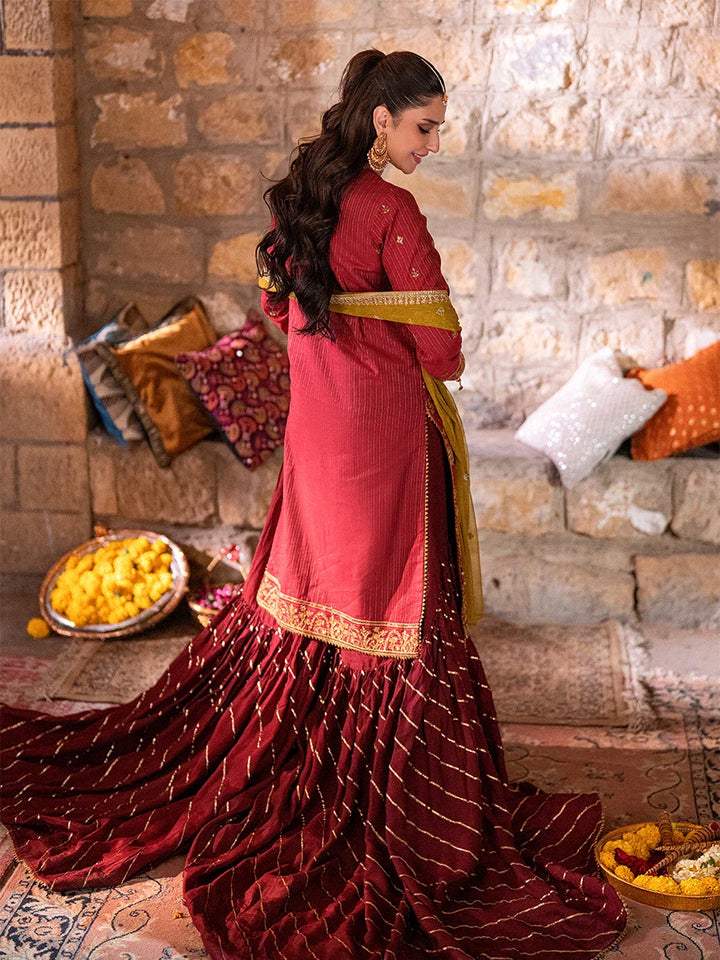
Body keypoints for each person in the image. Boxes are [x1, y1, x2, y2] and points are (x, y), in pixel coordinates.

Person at [0, 49, 626, 960]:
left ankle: (299, 763)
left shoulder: (299, 195)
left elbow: (275, 305)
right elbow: (444, 352)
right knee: (397, 608)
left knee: (315, 594)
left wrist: (346, 318)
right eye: (425, 127)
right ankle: (398, 798)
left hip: (319, 436)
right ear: (381, 119)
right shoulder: (394, 212)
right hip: (384, 438)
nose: (433, 144)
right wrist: (389, 326)